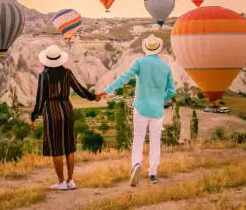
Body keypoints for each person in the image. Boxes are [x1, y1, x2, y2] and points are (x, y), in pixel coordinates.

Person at [98, 34, 176, 186]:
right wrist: (161, 99)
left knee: (138, 138)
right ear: (159, 50)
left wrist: (107, 90)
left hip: (141, 108)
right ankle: (153, 173)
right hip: (157, 110)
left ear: (145, 48)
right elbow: (172, 91)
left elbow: (124, 78)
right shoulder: (166, 67)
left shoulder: (139, 62)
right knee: (155, 141)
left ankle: (135, 165)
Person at [31, 44, 100, 191]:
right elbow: (80, 89)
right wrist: (93, 97)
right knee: (69, 147)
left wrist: (33, 116)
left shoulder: (43, 76)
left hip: (51, 113)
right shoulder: (67, 73)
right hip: (67, 111)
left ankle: (61, 182)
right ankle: (70, 181)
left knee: (56, 149)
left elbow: (40, 99)